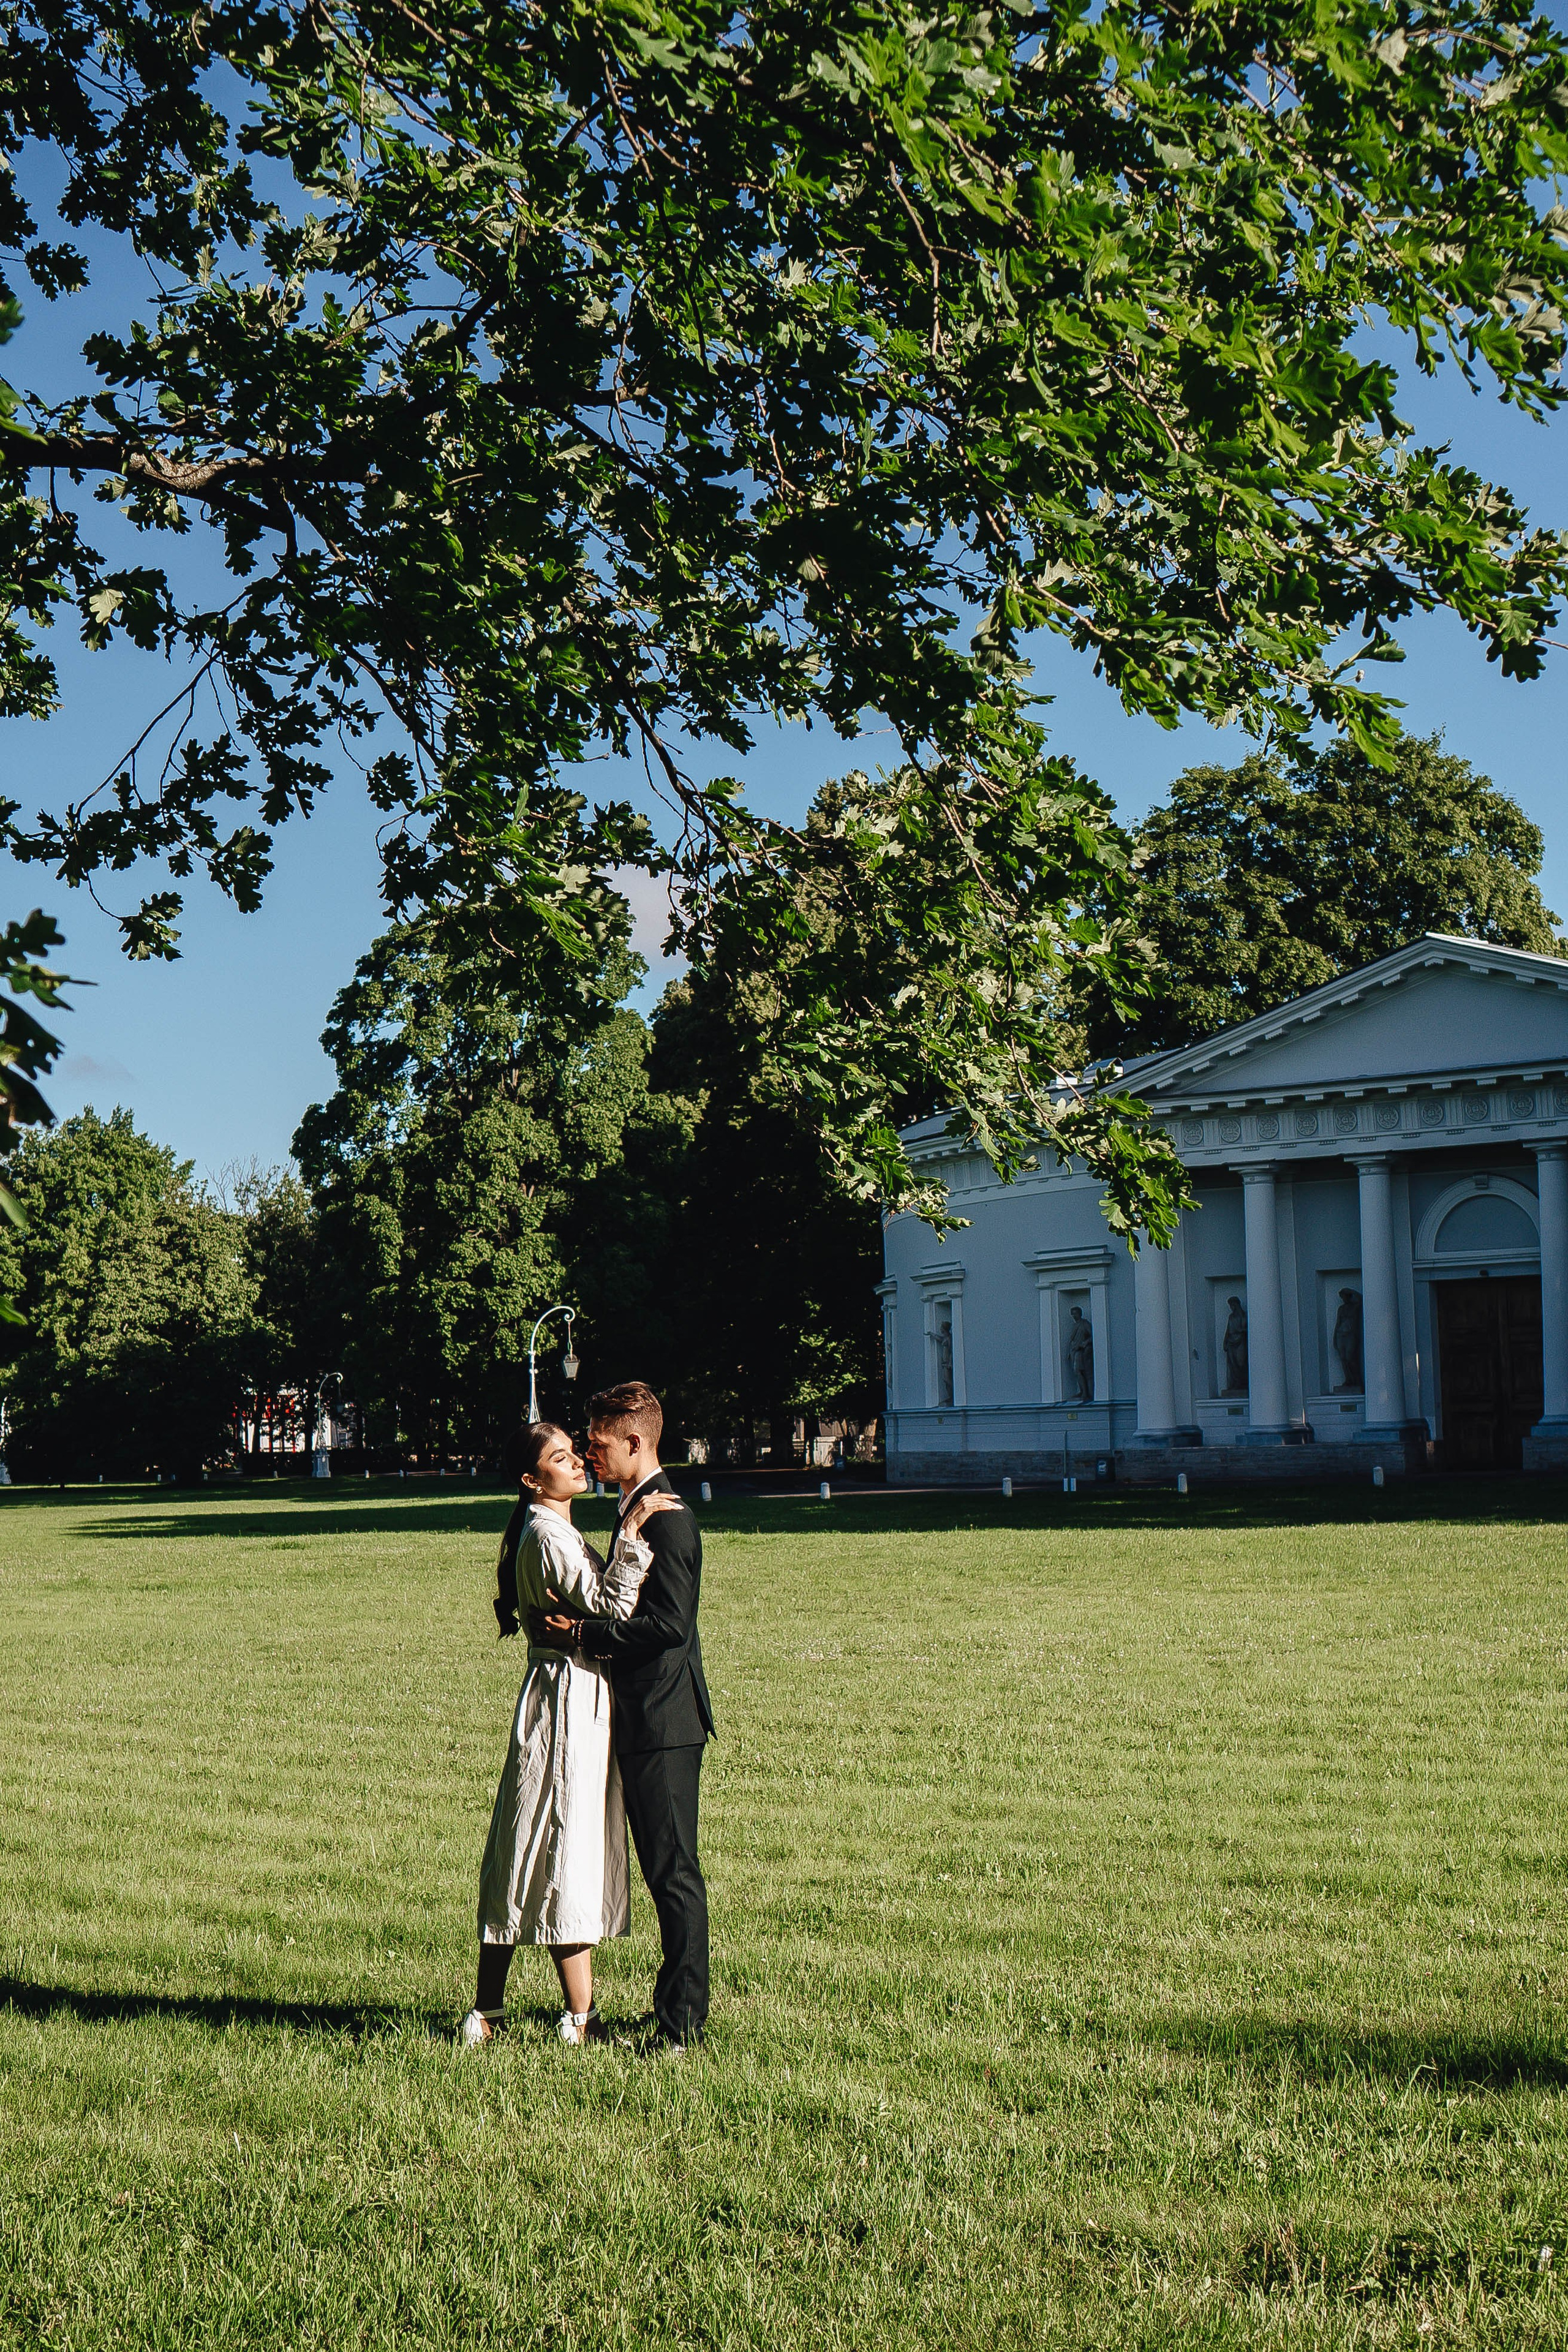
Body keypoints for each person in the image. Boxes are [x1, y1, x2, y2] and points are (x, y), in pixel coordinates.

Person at [460, 1421, 679, 2048]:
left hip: (566, 1692)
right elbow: (611, 1610)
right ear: (533, 1480)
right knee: (560, 1847)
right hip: (566, 1700)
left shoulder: (549, 1529)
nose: (578, 1461)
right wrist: (631, 1541)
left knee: (530, 1847)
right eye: (561, 1458)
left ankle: (495, 2011)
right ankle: (575, 2020)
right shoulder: (548, 1535)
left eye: (574, 1452)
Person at [531, 1380, 713, 2051]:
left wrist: (581, 1634)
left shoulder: (668, 1518)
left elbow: (668, 1627)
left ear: (635, 1442)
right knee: (664, 1872)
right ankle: (673, 2013)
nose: (589, 1453)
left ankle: (681, 2027)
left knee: (673, 1874)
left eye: (599, 1443)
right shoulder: (635, 1511)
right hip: (640, 1716)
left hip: (664, 1722)